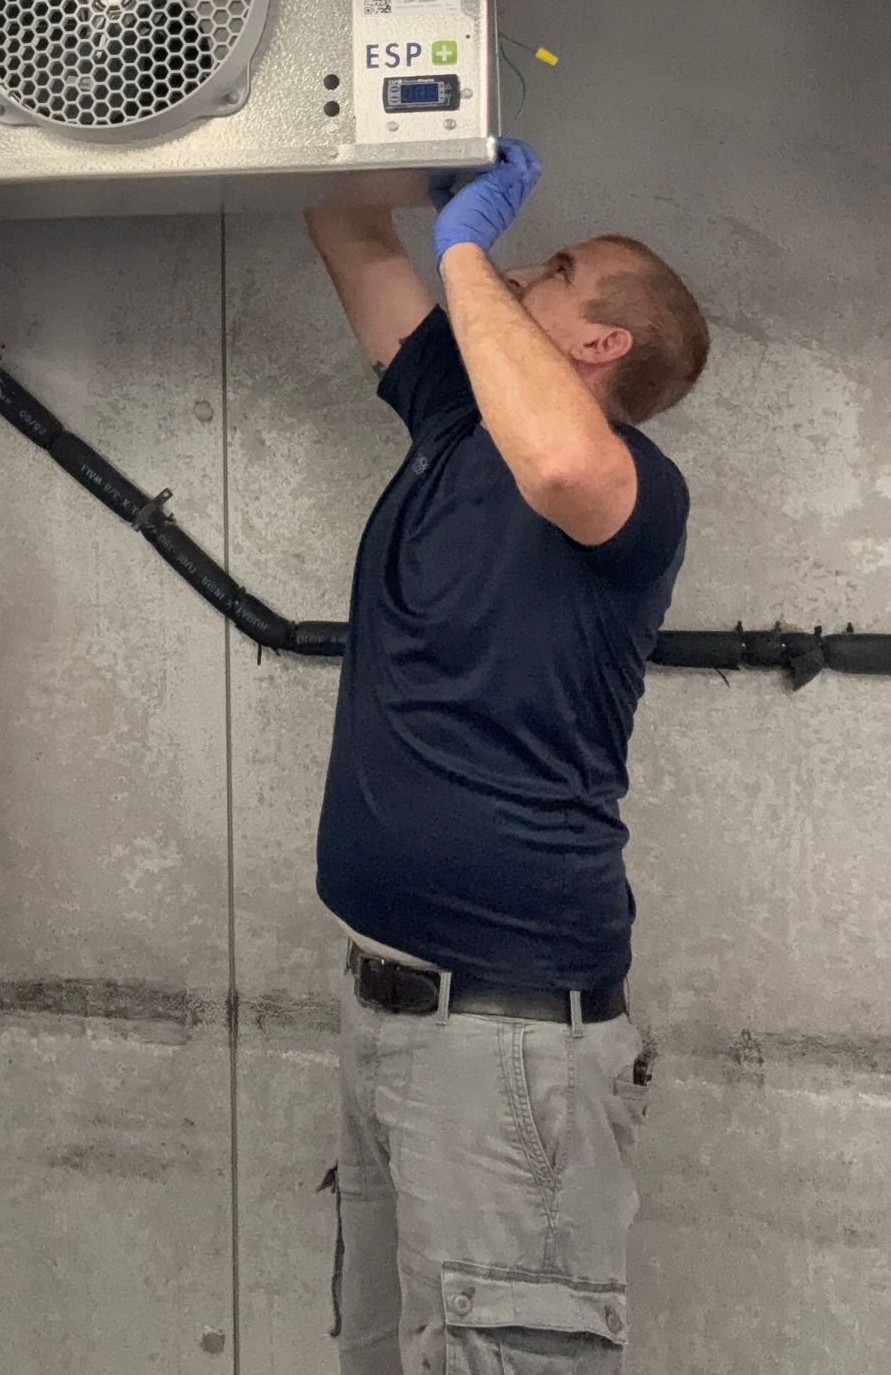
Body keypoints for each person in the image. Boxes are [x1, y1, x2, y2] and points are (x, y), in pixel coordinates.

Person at [304, 139, 708, 1375]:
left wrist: (469, 247)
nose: (524, 268)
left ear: (600, 347)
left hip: (510, 1040)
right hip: (393, 1013)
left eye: (559, 271)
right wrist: (415, 143)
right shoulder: (456, 421)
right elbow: (342, 224)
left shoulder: (631, 486)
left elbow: (562, 460)